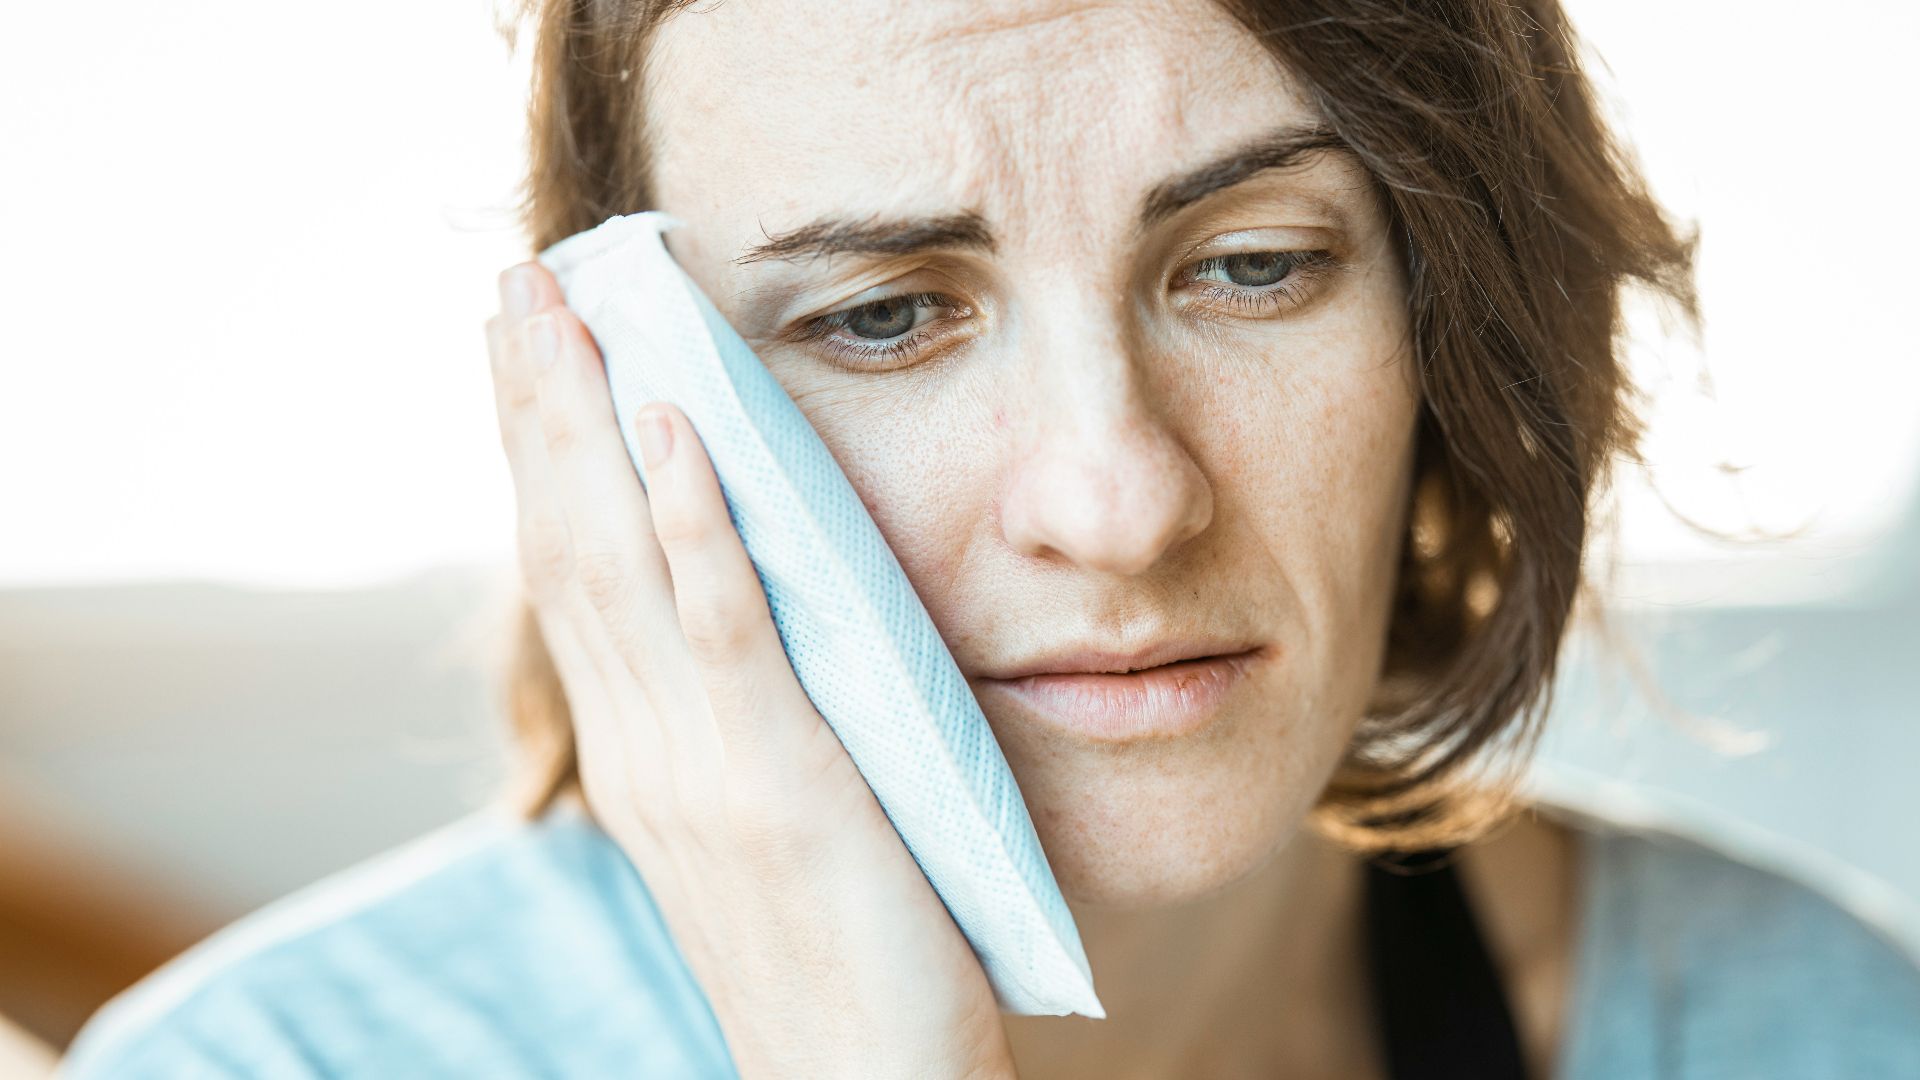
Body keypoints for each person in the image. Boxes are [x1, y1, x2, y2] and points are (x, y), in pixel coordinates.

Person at [61, 0, 1920, 1077]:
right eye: (884, 315)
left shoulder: (1794, 1028)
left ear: (1455, 331)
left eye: (1255, 267)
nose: (1116, 501)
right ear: (626, 401)